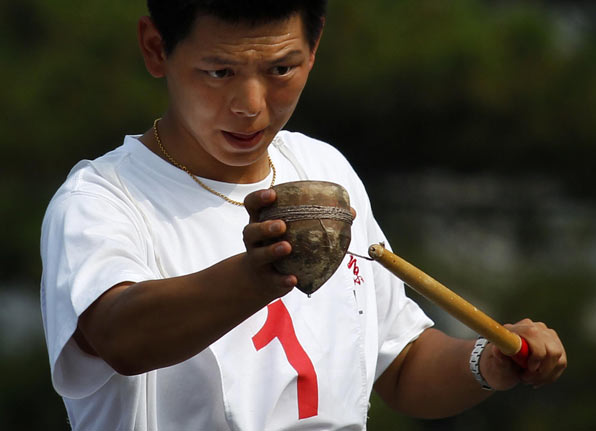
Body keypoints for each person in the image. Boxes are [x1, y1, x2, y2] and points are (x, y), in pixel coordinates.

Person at [40, 1, 567, 430]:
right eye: (219, 71)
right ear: (156, 48)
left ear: (313, 50)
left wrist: (486, 363)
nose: (250, 104)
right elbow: (118, 336)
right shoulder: (102, 198)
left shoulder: (322, 169)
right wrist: (254, 279)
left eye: (280, 69)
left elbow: (401, 366)